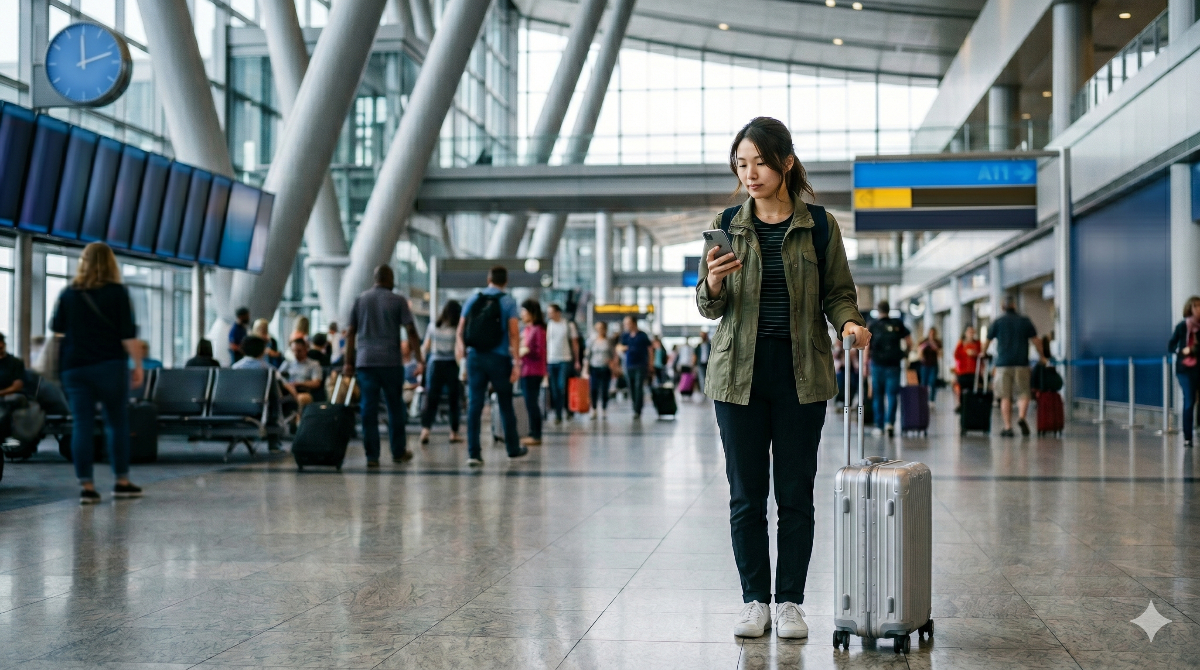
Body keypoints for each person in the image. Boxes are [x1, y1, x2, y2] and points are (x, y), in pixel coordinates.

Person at [696, 117, 869, 639]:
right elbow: (709, 307)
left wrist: (850, 323)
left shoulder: (819, 225)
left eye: (760, 162)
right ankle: (755, 600)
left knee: (795, 492)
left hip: (801, 371)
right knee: (747, 493)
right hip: (737, 375)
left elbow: (838, 292)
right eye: (741, 163)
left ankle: (789, 600)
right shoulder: (730, 222)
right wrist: (713, 282)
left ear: (785, 163)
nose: (749, 173)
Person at [50, 242, 144, 505]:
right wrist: (137, 366)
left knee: (82, 425)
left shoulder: (68, 294)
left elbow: (57, 331)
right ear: (111, 263)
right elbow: (128, 335)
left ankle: (87, 488)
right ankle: (121, 482)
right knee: (117, 423)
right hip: (109, 365)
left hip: (75, 367)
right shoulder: (117, 293)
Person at [344, 265, 424, 467]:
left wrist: (348, 362)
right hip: (390, 362)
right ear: (390, 278)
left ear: (375, 278)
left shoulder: (360, 300)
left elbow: (350, 332)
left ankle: (372, 456)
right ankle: (398, 452)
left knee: (368, 409)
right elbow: (411, 330)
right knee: (395, 407)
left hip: (366, 362)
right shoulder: (398, 300)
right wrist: (419, 358)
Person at [456, 266, 528, 466]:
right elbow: (514, 333)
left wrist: (463, 352)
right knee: (505, 403)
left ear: (489, 279)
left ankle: (474, 453)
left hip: (475, 358)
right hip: (499, 358)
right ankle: (512, 449)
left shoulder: (473, 299)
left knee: (475, 404)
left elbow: (461, 330)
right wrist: (516, 363)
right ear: (505, 281)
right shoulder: (507, 301)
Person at [984, 296, 1042, 437]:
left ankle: (1008, 427)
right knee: (1024, 393)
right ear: (1014, 306)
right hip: (1021, 363)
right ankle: (1022, 417)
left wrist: (982, 353)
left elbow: (987, 341)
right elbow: (1036, 340)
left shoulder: (998, 322)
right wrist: (1043, 356)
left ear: (1003, 307)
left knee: (1005, 396)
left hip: (1003, 364)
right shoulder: (1024, 321)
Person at [419, 300, 463, 445]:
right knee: (454, 400)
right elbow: (459, 350)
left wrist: (421, 363)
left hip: (435, 365)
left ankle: (425, 430)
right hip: (451, 365)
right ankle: (453, 433)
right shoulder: (456, 328)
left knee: (431, 398)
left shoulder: (432, 326)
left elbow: (425, 347)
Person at [867, 300, 911, 438]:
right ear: (889, 309)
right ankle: (890, 423)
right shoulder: (897, 323)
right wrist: (905, 354)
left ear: (877, 310)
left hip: (877, 364)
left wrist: (864, 366)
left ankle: (879, 426)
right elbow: (910, 342)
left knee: (878, 396)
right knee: (892, 395)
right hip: (894, 364)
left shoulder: (873, 325)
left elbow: (867, 347)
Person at [1169, 295, 1200, 448]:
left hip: (1198, 368)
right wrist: (1183, 350)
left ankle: (1197, 429)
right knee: (1189, 399)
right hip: (1184, 370)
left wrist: (1195, 349)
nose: (1199, 309)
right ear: (1190, 309)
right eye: (1196, 306)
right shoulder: (1182, 327)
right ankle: (1188, 437)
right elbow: (1171, 346)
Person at [518, 300, 547, 446]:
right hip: (525, 370)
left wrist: (526, 351)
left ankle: (536, 434)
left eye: (524, 311)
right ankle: (531, 432)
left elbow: (540, 351)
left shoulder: (538, 329)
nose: (522, 314)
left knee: (532, 402)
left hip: (534, 370)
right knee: (529, 403)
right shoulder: (527, 329)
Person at [544, 304, 579, 423]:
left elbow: (575, 344)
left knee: (561, 386)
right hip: (551, 360)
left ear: (558, 312)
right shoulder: (548, 325)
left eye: (551, 312)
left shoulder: (568, 325)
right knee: (554, 389)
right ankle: (558, 414)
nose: (549, 315)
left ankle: (568, 409)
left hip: (565, 359)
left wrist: (577, 360)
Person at [617, 315, 652, 418]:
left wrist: (650, 363)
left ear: (634, 323)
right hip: (628, 365)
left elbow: (650, 349)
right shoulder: (625, 336)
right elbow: (618, 347)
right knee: (631, 387)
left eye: (628, 323)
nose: (626, 325)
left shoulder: (642, 336)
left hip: (641, 365)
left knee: (638, 386)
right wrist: (624, 348)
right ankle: (634, 406)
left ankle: (638, 409)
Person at [279, 338, 323, 412]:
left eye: (299, 351)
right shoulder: (287, 363)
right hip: (287, 390)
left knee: (302, 398)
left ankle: (299, 420)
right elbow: (277, 377)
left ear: (305, 350)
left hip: (303, 391)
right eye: (294, 351)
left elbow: (316, 383)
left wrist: (299, 384)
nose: (296, 353)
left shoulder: (314, 364)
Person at [585, 321, 615, 418]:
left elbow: (613, 354)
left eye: (601, 328)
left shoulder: (609, 340)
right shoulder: (592, 340)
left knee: (604, 390)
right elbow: (588, 354)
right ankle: (594, 409)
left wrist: (612, 363)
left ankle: (604, 409)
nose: (600, 330)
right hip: (594, 367)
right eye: (598, 328)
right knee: (593, 389)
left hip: (605, 368)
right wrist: (586, 367)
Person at [953, 325, 982, 412]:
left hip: (973, 371)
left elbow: (981, 354)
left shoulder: (977, 343)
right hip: (962, 371)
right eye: (969, 332)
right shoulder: (961, 343)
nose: (971, 334)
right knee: (961, 389)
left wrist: (975, 354)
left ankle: (971, 406)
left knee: (973, 389)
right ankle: (962, 405)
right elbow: (956, 355)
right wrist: (966, 352)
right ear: (965, 333)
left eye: (972, 332)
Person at [918, 326, 942, 404]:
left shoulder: (937, 342)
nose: (931, 334)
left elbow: (941, 354)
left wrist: (936, 348)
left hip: (933, 364)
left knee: (933, 382)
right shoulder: (924, 341)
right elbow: (919, 352)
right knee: (924, 382)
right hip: (925, 365)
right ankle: (923, 398)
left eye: (933, 333)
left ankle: (932, 400)